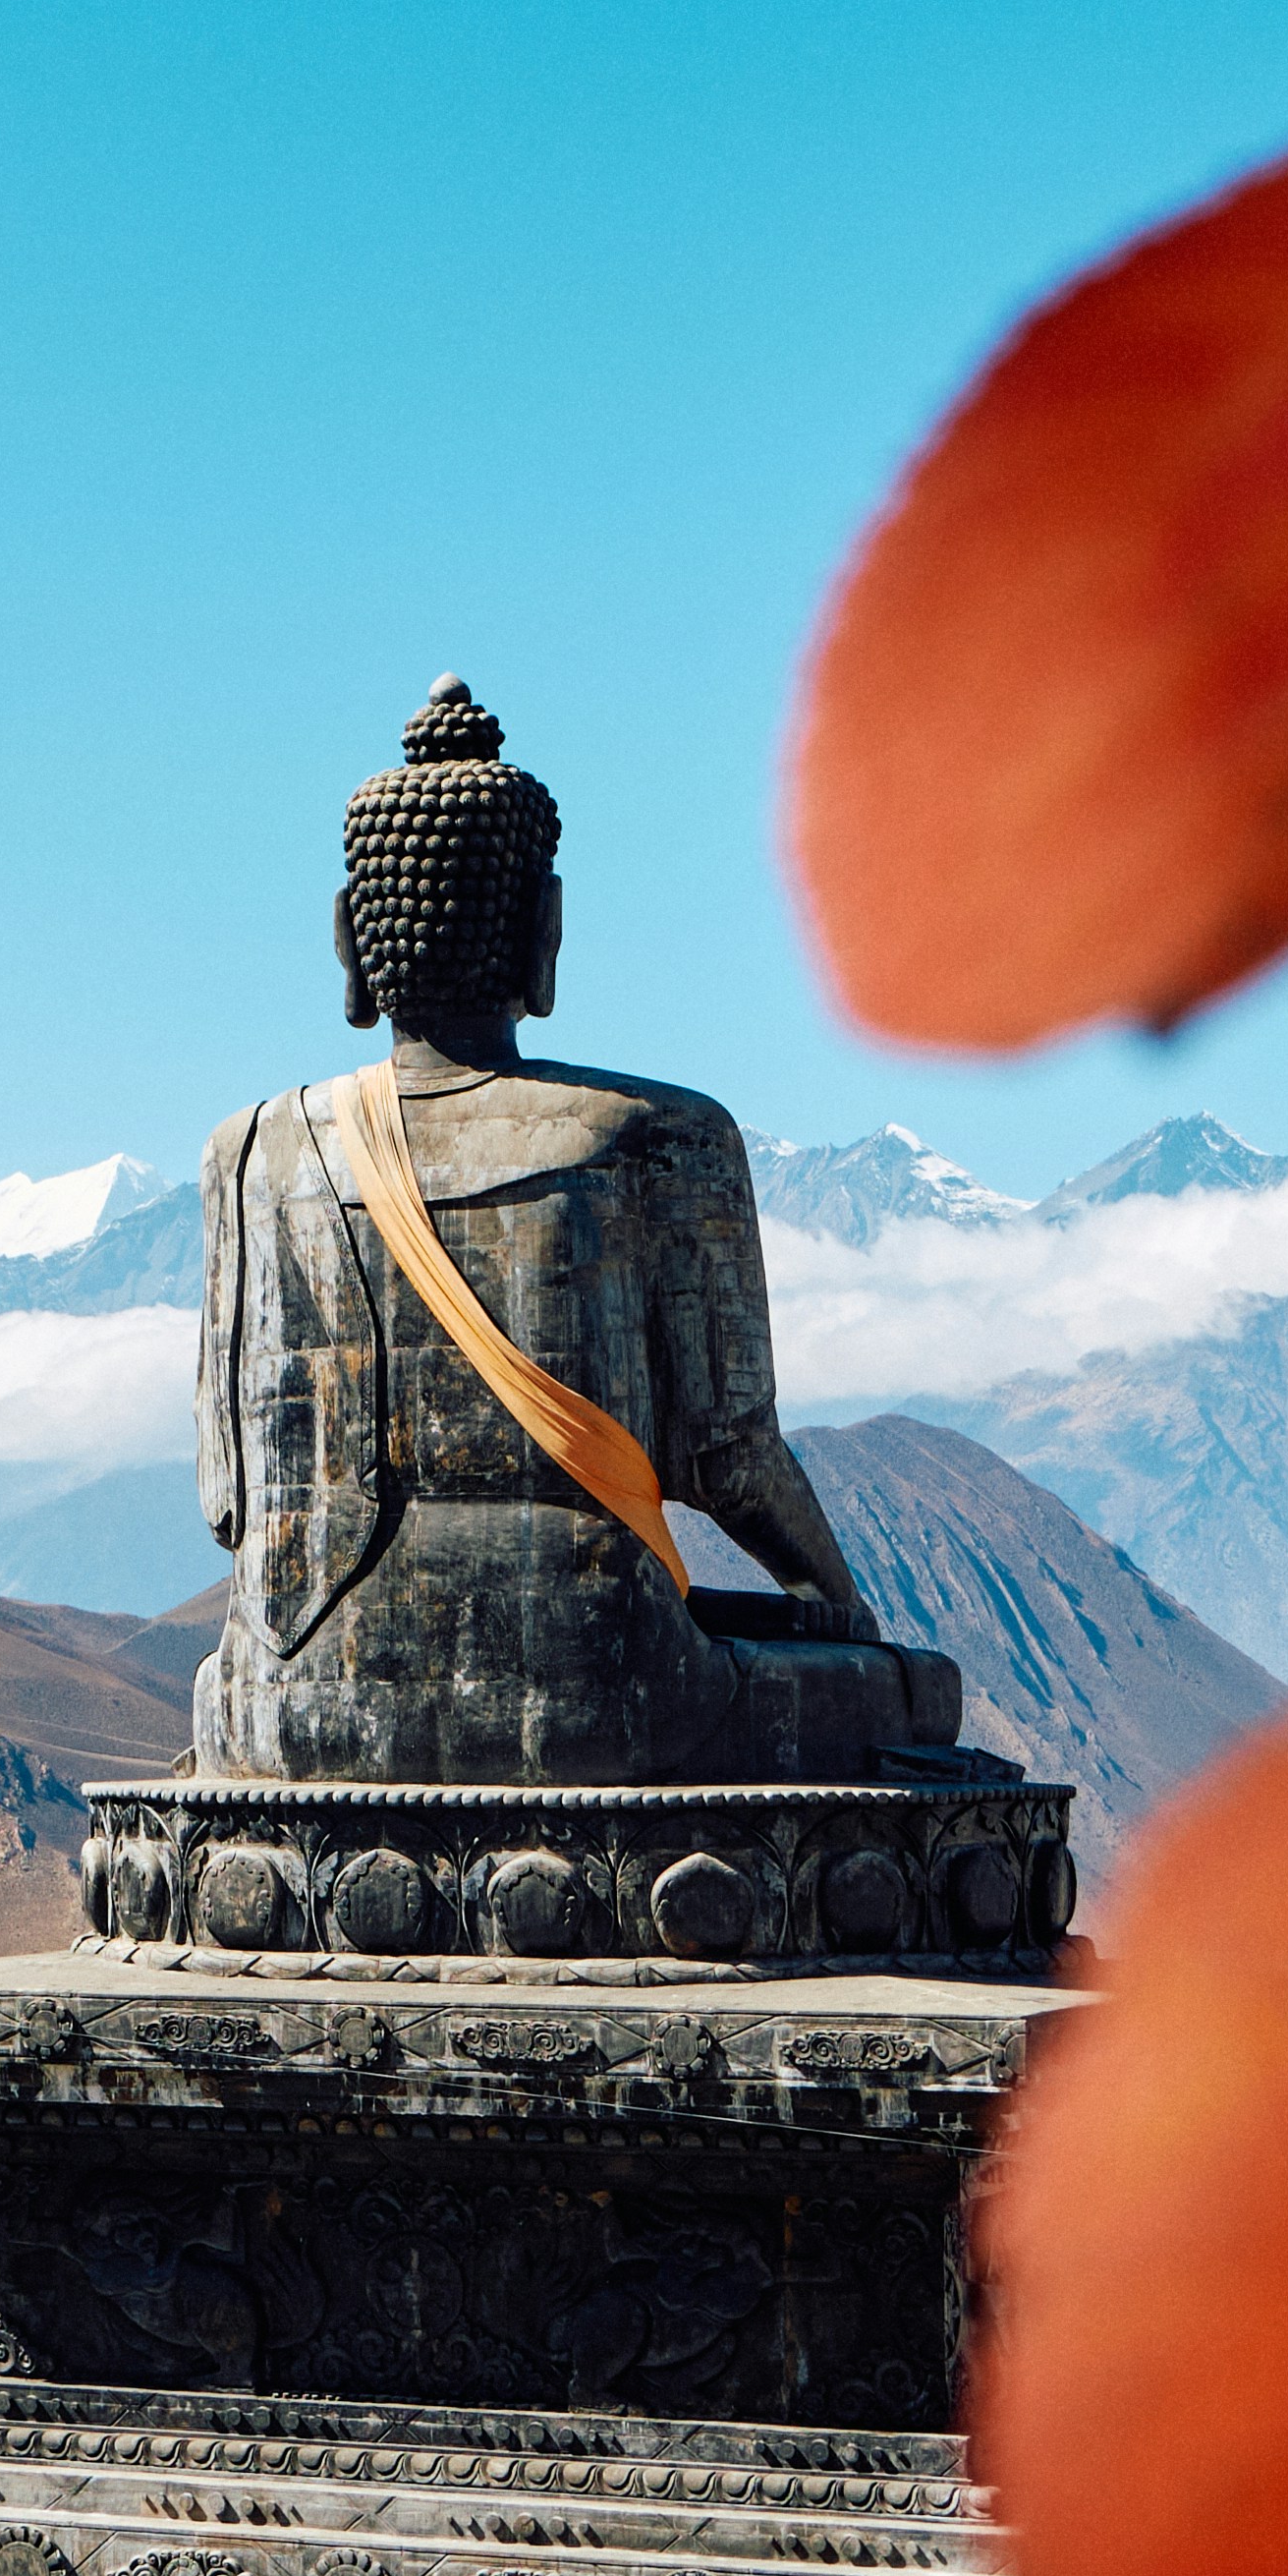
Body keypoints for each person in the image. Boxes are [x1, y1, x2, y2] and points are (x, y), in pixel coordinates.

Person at [188, 677, 959, 1786]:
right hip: (602, 1690)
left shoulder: (249, 1154)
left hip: (280, 1708)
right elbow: (727, 1453)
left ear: (350, 938)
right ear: (543, 928)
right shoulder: (654, 1137)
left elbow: (228, 1503)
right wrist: (835, 1598)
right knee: (911, 1688)